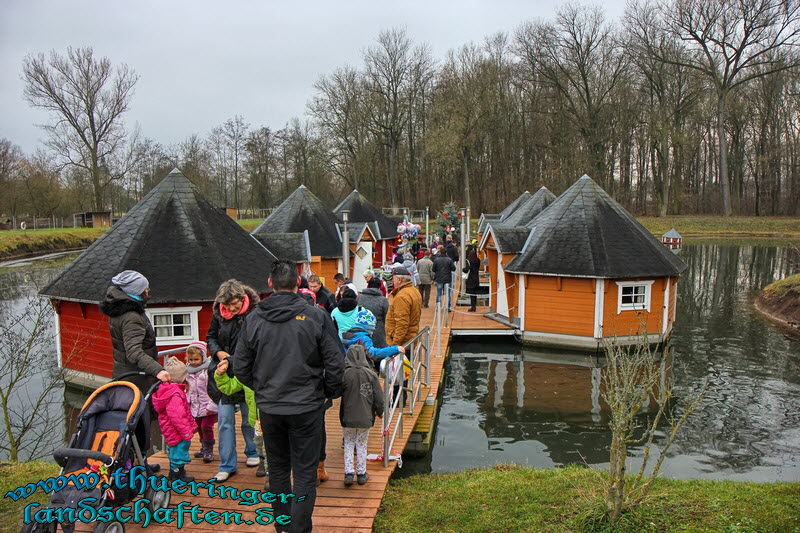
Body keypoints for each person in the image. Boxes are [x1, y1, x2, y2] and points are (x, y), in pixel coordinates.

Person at [234, 259, 344, 533]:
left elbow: (240, 367)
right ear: (298, 283)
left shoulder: (254, 319)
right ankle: (299, 528)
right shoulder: (316, 316)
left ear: (270, 283)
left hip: (271, 407)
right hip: (307, 405)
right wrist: (326, 392)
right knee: (305, 472)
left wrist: (261, 387)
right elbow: (336, 363)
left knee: (279, 469)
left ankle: (283, 526)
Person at [206, 279, 261, 482]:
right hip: (223, 372)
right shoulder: (218, 314)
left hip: (247, 372)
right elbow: (210, 336)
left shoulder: (255, 313)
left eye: (234, 303)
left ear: (242, 298)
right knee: (225, 422)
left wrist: (234, 359)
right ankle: (227, 464)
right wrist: (218, 352)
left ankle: (253, 452)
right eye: (227, 305)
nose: (231, 308)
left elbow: (256, 343)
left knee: (249, 417)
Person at [100, 270, 170, 391]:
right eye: (145, 288)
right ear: (136, 291)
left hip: (123, 373)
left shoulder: (118, 310)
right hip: (137, 379)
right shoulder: (132, 317)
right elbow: (134, 352)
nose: (148, 291)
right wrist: (157, 370)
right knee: (141, 409)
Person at [213, 358, 268, 478]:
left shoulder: (273, 372)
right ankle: (262, 460)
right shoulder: (245, 375)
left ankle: (271, 476)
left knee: (273, 448)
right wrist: (220, 375)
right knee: (259, 444)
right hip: (257, 421)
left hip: (272, 418)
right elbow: (229, 387)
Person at [339, 343, 384, 486]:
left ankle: (348, 473)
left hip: (348, 417)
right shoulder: (371, 375)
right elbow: (379, 397)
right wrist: (380, 411)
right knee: (362, 443)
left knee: (348, 443)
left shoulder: (345, 374)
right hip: (366, 416)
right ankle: (361, 473)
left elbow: (336, 390)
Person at [152, 356, 196, 482]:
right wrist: (186, 432)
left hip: (170, 429)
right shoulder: (175, 394)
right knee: (179, 451)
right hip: (177, 430)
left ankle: (175, 473)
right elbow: (177, 416)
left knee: (174, 450)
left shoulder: (167, 390)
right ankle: (178, 476)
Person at [185, 341, 217, 463]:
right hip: (196, 406)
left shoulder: (208, 371)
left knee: (206, 427)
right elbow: (189, 389)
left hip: (208, 405)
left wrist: (212, 405)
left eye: (196, 359)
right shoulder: (188, 373)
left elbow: (214, 389)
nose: (193, 362)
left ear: (203, 357)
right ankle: (203, 447)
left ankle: (209, 449)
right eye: (191, 359)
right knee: (199, 427)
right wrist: (187, 401)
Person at [385, 266, 423, 347]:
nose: (392, 281)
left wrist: (395, 344)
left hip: (403, 342)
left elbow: (402, 322)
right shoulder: (414, 291)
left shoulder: (402, 296)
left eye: (394, 278)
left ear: (400, 280)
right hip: (410, 337)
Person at [357, 277, 390, 347]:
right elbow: (387, 317)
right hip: (379, 331)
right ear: (379, 287)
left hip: (362, 330)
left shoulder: (359, 298)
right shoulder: (383, 300)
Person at [433, 245, 456, 310]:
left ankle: (438, 307)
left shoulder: (436, 260)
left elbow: (433, 269)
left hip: (439, 278)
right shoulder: (449, 260)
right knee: (447, 293)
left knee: (439, 293)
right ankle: (448, 307)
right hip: (447, 278)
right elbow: (453, 269)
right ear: (446, 253)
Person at [463, 248, 481, 312]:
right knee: (475, 293)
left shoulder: (470, 262)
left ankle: (472, 307)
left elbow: (466, 270)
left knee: (471, 294)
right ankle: (474, 306)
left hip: (470, 278)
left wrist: (463, 269)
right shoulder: (478, 260)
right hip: (476, 278)